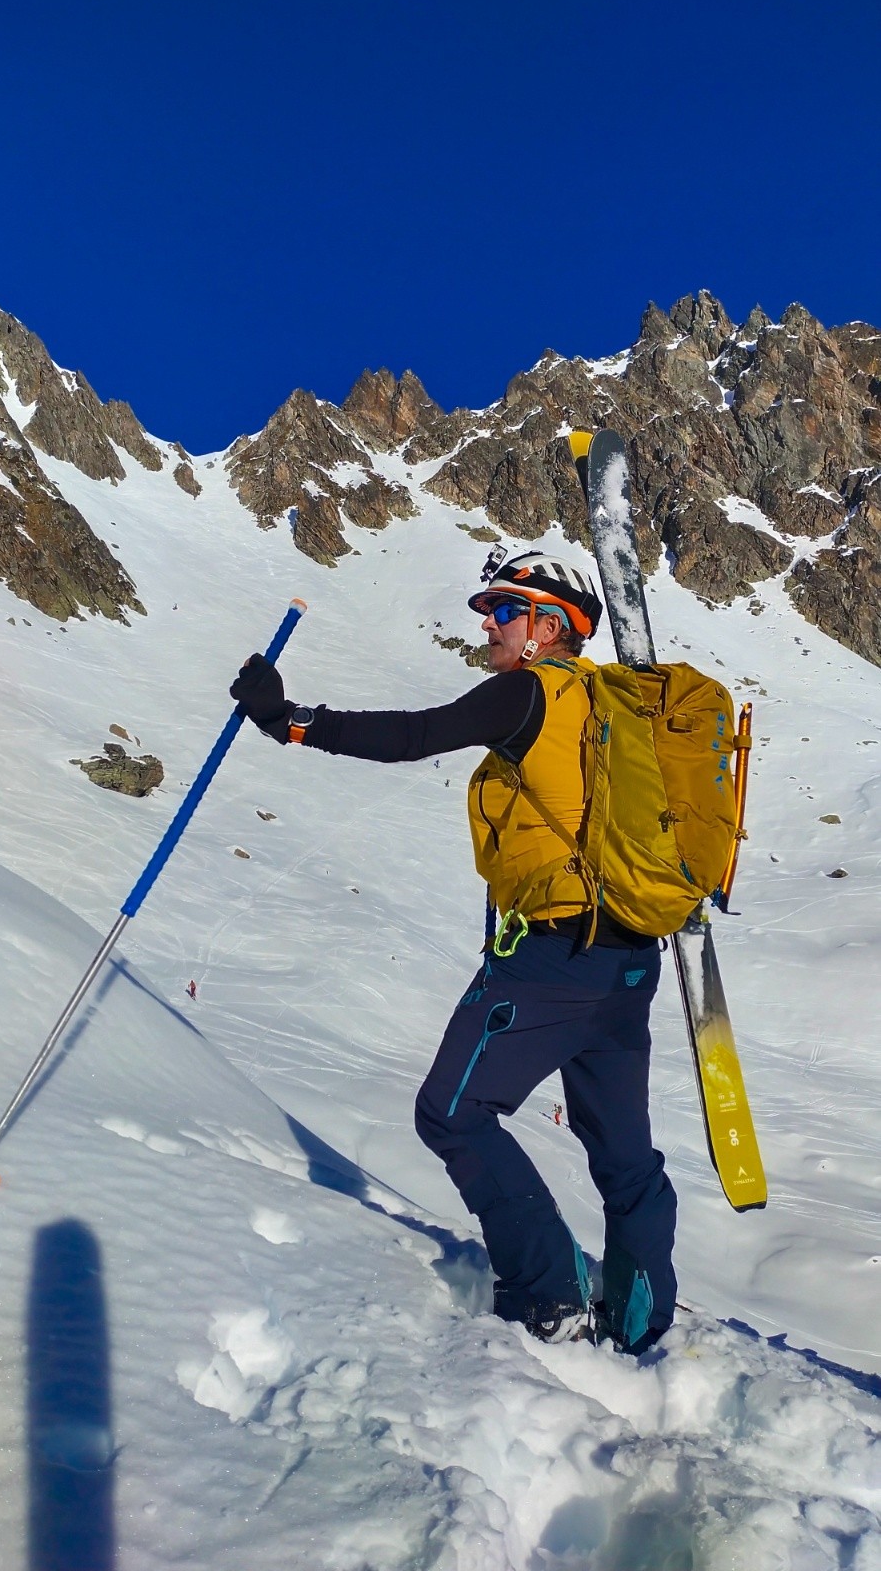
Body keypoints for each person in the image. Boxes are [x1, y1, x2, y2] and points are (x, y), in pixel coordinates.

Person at [230, 550, 677, 1353]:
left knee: (452, 1114)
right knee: (622, 1151)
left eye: (503, 610)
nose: (487, 624)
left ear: (549, 627)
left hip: (553, 958)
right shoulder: (616, 710)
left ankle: (551, 1293)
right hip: (630, 959)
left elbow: (416, 735)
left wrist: (287, 720)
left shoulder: (529, 690)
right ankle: (641, 1316)